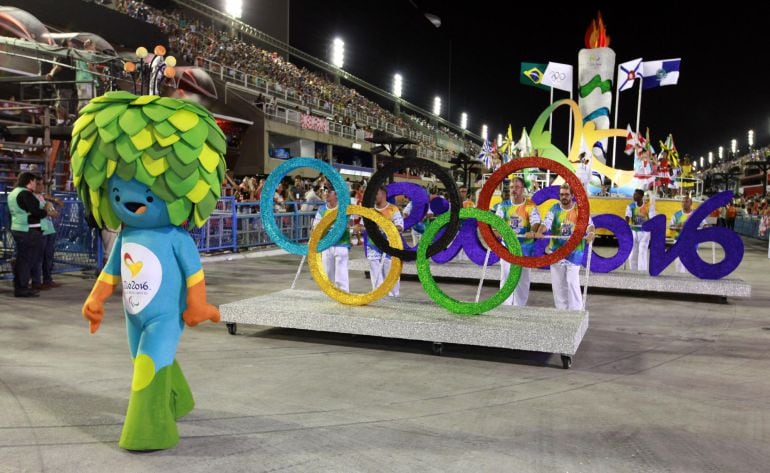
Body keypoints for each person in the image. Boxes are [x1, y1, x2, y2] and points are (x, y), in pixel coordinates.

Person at [535, 183, 595, 310]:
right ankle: (561, 312)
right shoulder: (554, 208)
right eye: (562, 194)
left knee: (572, 282)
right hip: (556, 252)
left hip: (575, 252)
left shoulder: (580, 209)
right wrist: (540, 231)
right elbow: (547, 222)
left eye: (567, 194)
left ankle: (576, 312)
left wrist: (591, 232)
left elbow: (589, 225)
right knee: (558, 284)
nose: (564, 197)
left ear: (572, 195)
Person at [496, 177, 540, 306]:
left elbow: (536, 222)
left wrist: (532, 231)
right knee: (506, 277)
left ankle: (519, 307)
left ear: (523, 189)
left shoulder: (530, 205)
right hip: (507, 248)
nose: (513, 190)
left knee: (523, 279)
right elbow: (497, 223)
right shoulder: (503, 206)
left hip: (525, 248)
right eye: (511, 187)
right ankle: (505, 306)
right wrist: (497, 232)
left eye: (517, 187)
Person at [8, 172, 50, 297]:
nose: (35, 184)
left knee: (22, 260)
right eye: (34, 181)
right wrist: (46, 210)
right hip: (29, 230)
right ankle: (22, 288)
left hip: (18, 228)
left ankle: (20, 286)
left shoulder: (13, 193)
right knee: (26, 261)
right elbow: (36, 212)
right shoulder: (25, 194)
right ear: (29, 181)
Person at [367, 185, 404, 297]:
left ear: (383, 194)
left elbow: (400, 226)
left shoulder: (393, 209)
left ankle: (394, 297)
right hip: (373, 246)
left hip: (390, 247)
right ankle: (378, 297)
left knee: (391, 275)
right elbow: (363, 225)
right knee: (375, 275)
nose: (373, 196)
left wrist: (386, 227)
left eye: (376, 194)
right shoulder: (369, 210)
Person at [312, 189, 350, 291]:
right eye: (326, 192)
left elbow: (350, 224)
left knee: (341, 275)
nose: (326, 194)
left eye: (329, 192)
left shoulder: (344, 209)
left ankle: (344, 296)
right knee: (327, 274)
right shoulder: (321, 209)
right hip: (326, 245)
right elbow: (316, 227)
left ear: (336, 195)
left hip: (341, 244)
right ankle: (329, 296)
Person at [31, 177, 64, 289]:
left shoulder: (42, 196)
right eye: (38, 184)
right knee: (38, 258)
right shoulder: (30, 197)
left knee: (48, 257)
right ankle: (36, 281)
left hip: (49, 229)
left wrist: (53, 201)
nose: (41, 186)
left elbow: (53, 211)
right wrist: (49, 209)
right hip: (40, 230)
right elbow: (45, 212)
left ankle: (47, 280)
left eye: (42, 184)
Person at [669, 194, 704, 273]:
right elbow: (671, 227)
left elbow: (704, 225)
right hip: (679, 241)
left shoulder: (696, 214)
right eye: (683, 202)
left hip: (692, 242)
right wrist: (678, 226)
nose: (684, 203)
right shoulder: (677, 215)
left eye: (687, 202)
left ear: (691, 203)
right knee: (679, 263)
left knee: (693, 265)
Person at [625, 189, 656, 272]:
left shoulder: (648, 206)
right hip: (634, 231)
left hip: (645, 232)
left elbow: (652, 220)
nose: (634, 196)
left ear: (641, 196)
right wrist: (626, 228)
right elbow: (627, 217)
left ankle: (642, 271)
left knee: (642, 251)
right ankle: (633, 270)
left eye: (636, 195)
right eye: (634, 194)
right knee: (632, 253)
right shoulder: (630, 206)